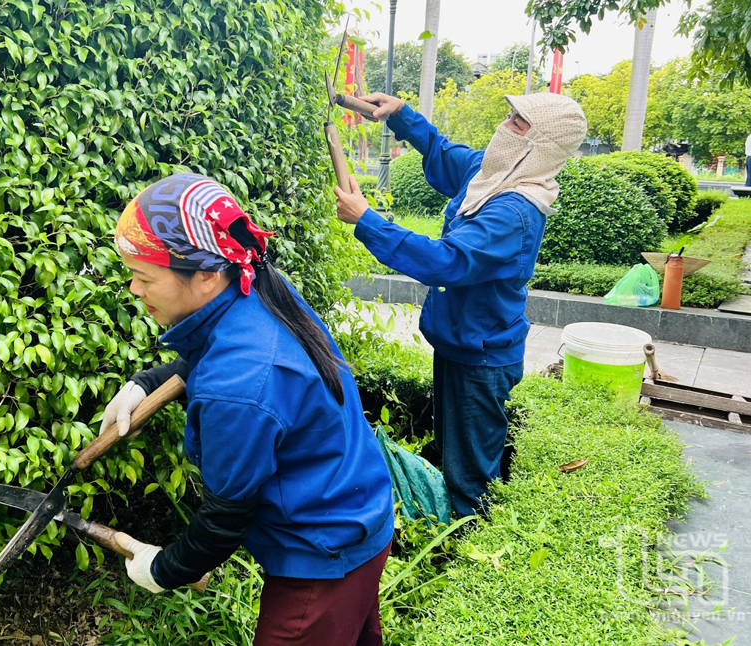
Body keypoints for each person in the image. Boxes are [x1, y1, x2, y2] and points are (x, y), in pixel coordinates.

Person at [102, 174, 395, 645]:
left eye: (145, 277)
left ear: (205, 274)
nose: (134, 289)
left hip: (323, 557)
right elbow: (213, 343)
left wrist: (163, 569)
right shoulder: (252, 281)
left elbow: (223, 520)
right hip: (357, 510)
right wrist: (147, 383)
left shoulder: (237, 384)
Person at [334, 92, 587, 520]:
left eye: (519, 123)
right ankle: (450, 521)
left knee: (471, 477)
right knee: (453, 448)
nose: (505, 126)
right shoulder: (494, 174)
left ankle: (471, 538)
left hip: (481, 356)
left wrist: (368, 221)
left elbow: (447, 261)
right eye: (509, 115)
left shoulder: (515, 209)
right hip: (460, 341)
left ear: (540, 145)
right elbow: (443, 151)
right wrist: (401, 115)